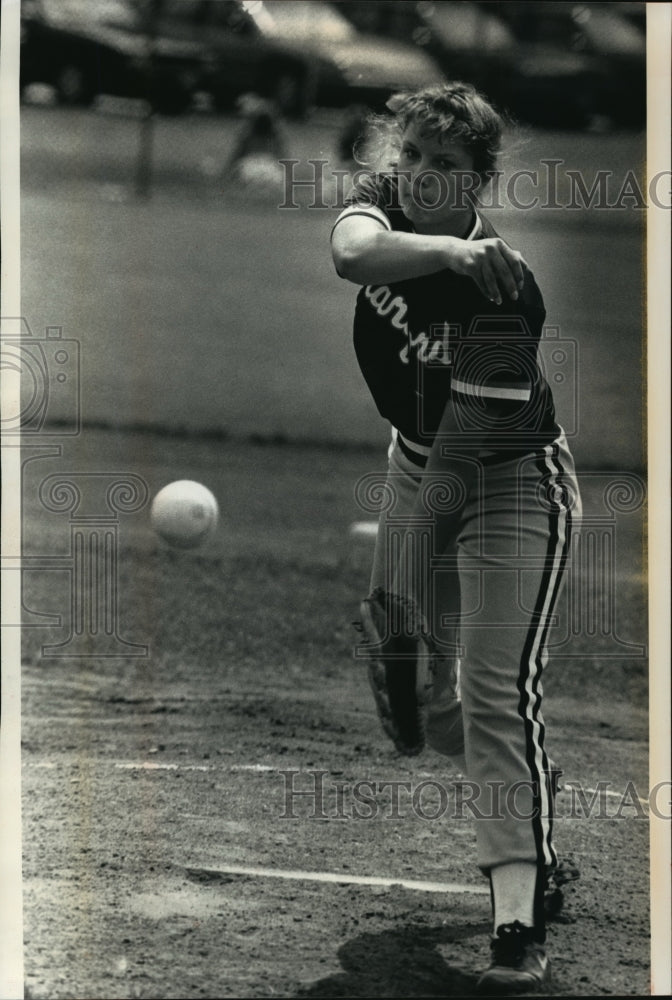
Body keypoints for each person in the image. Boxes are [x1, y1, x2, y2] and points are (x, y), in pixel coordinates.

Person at [330, 82, 581, 994]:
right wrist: (443, 245)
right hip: (412, 462)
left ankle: (519, 924)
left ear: (480, 179)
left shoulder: (510, 295)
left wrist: (400, 590)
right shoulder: (387, 219)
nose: (424, 173)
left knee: (490, 691)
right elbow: (351, 255)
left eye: (448, 163)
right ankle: (528, 772)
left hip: (510, 483)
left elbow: (461, 472)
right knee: (423, 712)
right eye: (416, 155)